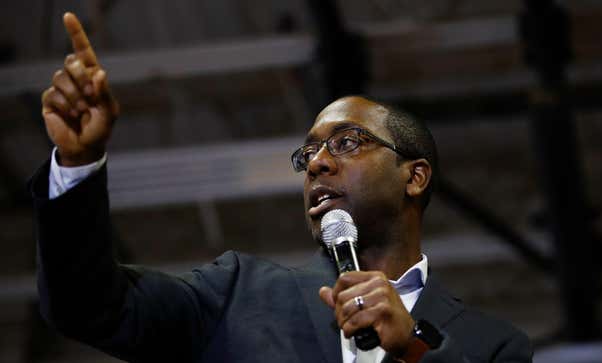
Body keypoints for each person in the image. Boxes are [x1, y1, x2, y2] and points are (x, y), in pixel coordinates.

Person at [31, 12, 533, 363]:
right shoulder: (235, 295)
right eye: (308, 153)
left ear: (414, 176)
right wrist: (78, 163)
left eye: (347, 142)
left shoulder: (492, 346)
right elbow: (88, 306)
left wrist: (414, 352)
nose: (316, 163)